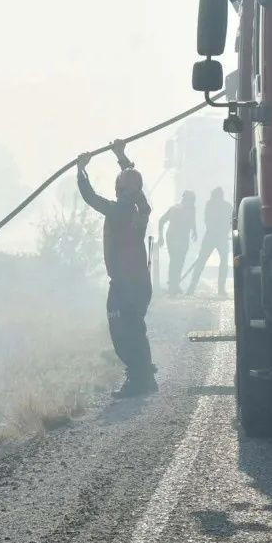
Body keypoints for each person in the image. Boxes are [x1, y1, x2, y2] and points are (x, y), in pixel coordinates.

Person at [76, 141, 156, 398]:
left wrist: (81, 170)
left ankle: (137, 379)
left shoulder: (118, 210)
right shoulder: (141, 210)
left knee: (122, 333)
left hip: (124, 286)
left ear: (118, 189)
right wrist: (122, 157)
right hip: (141, 284)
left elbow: (90, 198)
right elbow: (134, 183)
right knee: (136, 329)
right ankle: (145, 377)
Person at [186, 186, 232, 297]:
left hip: (215, 237)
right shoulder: (220, 205)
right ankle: (192, 287)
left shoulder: (213, 205)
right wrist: (223, 232)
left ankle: (194, 288)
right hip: (215, 236)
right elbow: (209, 220)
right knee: (203, 261)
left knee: (210, 262)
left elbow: (228, 222)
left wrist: (222, 232)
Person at [157, 191, 196, 296]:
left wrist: (194, 231)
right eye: (190, 200)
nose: (192, 203)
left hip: (183, 238)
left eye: (193, 201)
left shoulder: (192, 209)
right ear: (185, 199)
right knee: (175, 261)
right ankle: (172, 287)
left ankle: (175, 284)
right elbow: (161, 221)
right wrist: (160, 236)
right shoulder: (175, 209)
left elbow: (192, 221)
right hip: (173, 237)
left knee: (180, 261)